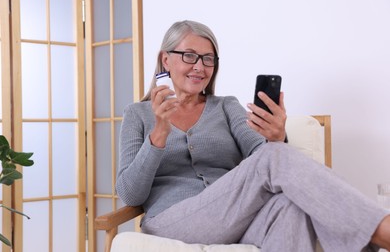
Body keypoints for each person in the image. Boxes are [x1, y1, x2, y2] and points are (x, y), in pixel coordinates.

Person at [116, 20, 390, 251]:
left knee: (289, 205)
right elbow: (130, 194)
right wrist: (158, 136)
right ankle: (379, 230)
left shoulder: (226, 106)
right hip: (173, 221)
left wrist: (276, 136)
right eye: (189, 55)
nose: (200, 67)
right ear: (166, 59)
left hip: (234, 217)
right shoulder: (137, 114)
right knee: (275, 157)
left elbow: (265, 157)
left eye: (208, 58)